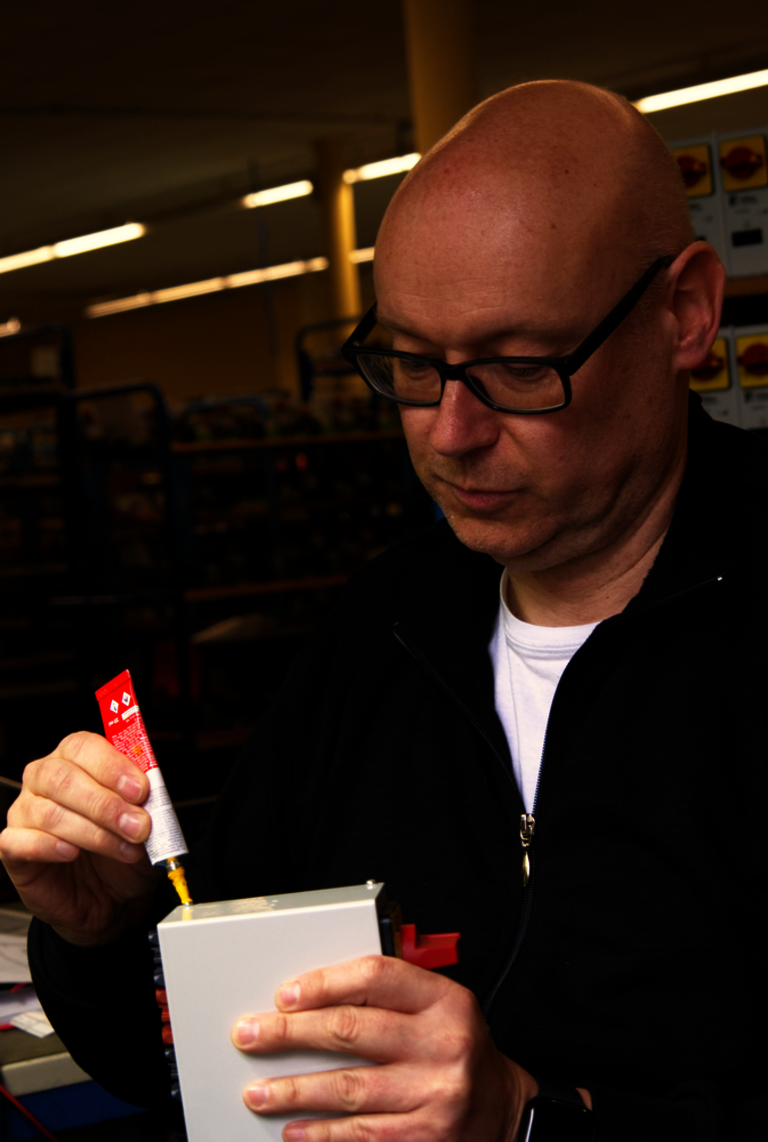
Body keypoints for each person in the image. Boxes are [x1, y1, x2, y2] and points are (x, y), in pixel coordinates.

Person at [1, 79, 766, 1142]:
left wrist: (529, 1121)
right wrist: (110, 930)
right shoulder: (384, 628)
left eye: (517, 367)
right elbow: (197, 1067)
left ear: (684, 314)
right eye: (409, 364)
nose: (450, 433)